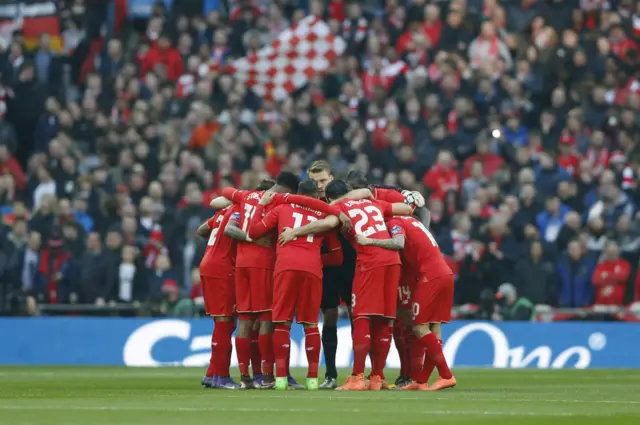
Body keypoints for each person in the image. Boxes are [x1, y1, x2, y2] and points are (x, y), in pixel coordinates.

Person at [279, 179, 412, 391]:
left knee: (362, 317)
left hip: (369, 261)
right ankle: (377, 377)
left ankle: (357, 377)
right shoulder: (374, 203)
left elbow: (327, 224)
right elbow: (406, 209)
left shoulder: (338, 207)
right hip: (393, 260)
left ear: (331, 198)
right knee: (385, 320)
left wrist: (295, 231)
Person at [246, 179, 343, 391]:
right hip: (312, 269)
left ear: (297, 192)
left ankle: (280, 379)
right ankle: (312, 380)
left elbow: (253, 232)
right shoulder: (322, 214)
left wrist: (261, 205)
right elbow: (337, 256)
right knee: (310, 324)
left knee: (282, 322)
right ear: (316, 197)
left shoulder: (281, 208)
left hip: (286, 267)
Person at [219, 172, 301, 389]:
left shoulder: (246, 196)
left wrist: (246, 237)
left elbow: (225, 192)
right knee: (266, 318)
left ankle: (245, 377)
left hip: (242, 265)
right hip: (263, 263)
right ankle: (266, 377)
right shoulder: (276, 203)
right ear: (287, 191)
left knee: (245, 320)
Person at [359, 214, 456, 391]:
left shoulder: (395, 222)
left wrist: (369, 240)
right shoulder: (415, 221)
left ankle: (446, 375)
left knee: (419, 327)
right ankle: (422, 380)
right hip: (444, 273)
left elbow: (398, 243)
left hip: (430, 276)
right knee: (434, 329)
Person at [196, 203, 241, 390]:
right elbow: (232, 230)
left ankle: (211, 373)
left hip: (208, 263)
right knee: (224, 320)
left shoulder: (223, 211)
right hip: (222, 267)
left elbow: (201, 230)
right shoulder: (239, 211)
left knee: (225, 322)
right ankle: (222, 377)